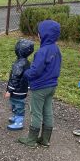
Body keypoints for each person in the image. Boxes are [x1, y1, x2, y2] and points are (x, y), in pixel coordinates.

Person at [18, 20, 61, 148]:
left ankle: (31, 140)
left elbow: (35, 71)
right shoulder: (56, 49)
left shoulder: (42, 52)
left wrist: (26, 73)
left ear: (44, 35)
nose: (38, 34)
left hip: (40, 88)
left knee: (36, 112)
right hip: (52, 86)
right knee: (47, 111)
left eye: (40, 32)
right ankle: (45, 139)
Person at [5, 39, 34, 131]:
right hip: (23, 89)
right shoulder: (27, 62)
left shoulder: (18, 64)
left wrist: (9, 90)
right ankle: (16, 116)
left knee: (18, 104)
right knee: (17, 104)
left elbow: (14, 78)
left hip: (17, 90)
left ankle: (19, 121)